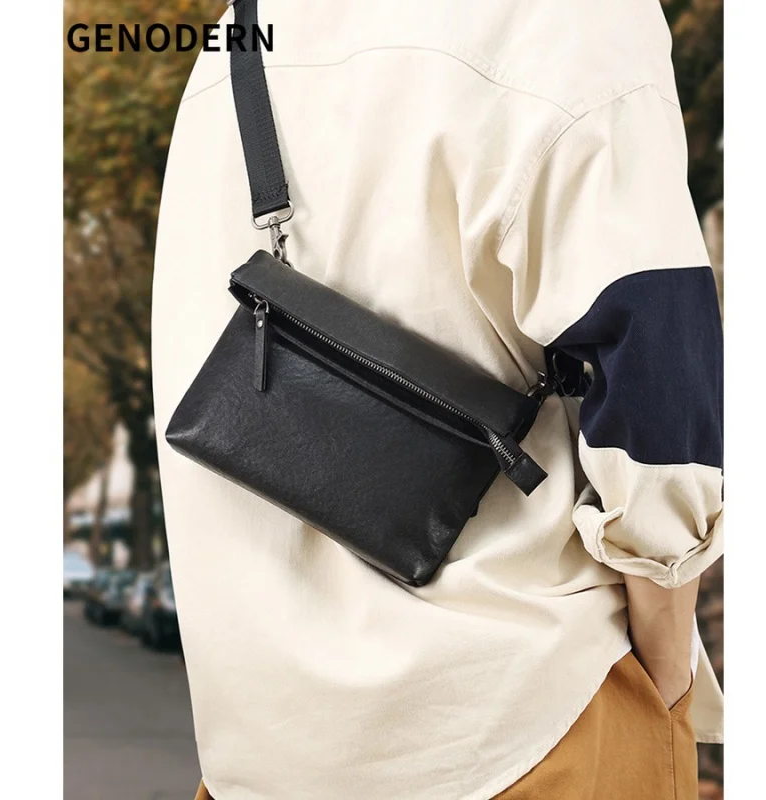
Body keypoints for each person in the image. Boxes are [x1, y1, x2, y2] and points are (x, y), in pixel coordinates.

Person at [152, 1, 724, 798]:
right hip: (523, 726)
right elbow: (659, 405)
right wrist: (667, 681)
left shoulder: (232, 43)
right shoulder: (577, 18)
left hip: (260, 752)